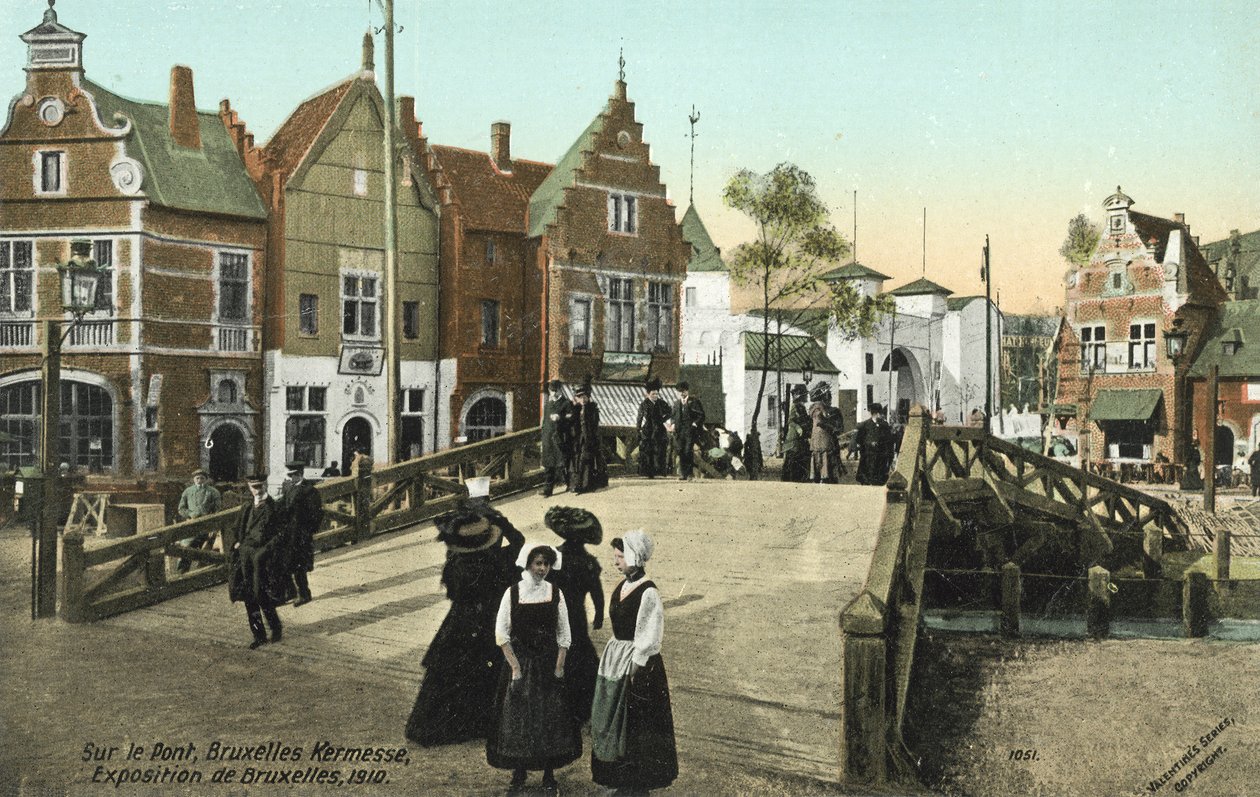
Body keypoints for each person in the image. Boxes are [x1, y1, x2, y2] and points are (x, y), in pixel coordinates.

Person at [405, 481, 525, 746]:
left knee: (452, 669)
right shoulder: (497, 562)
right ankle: (480, 721)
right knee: (486, 668)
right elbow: (519, 544)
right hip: (489, 619)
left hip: (460, 620)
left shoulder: (456, 564)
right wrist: (502, 523)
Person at [486, 543, 581, 794]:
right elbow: (501, 633)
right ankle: (519, 770)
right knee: (519, 720)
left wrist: (559, 666)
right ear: (528, 563)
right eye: (538, 563)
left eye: (547, 564)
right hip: (521, 664)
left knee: (550, 718)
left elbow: (564, 633)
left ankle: (549, 774)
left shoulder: (555, 593)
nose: (543, 569)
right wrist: (515, 668)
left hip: (548, 664)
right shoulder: (514, 592)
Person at [590, 531, 678, 794]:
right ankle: (620, 779)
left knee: (637, 723)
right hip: (618, 659)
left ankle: (638, 785)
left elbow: (650, 635)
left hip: (639, 666)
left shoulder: (648, 592)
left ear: (636, 558)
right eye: (615, 556)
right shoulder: (623, 585)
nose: (616, 562)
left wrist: (633, 669)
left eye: (621, 556)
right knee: (615, 719)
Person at [544, 505, 605, 733]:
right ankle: (583, 708)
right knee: (581, 656)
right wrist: (599, 614)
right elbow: (597, 593)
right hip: (577, 617)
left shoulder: (553, 557)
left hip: (554, 614)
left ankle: (555, 709)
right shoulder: (588, 563)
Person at [227, 473, 289, 649]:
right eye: (254, 487)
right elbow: (237, 528)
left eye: (260, 487)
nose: (257, 491)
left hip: (263, 559)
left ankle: (276, 628)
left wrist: (265, 550)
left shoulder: (274, 508)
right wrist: (237, 542)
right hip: (245, 557)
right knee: (249, 597)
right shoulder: (246, 507)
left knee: (262, 595)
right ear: (249, 488)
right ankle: (259, 635)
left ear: (265, 486)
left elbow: (281, 534)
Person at [279, 460, 323, 606]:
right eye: (290, 476)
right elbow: (283, 506)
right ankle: (289, 591)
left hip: (301, 535)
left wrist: (308, 531)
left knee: (299, 566)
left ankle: (304, 594)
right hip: (288, 534)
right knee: (283, 563)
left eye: (293, 476)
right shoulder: (289, 488)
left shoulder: (309, 490)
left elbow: (316, 514)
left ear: (299, 474)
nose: (291, 478)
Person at [176, 469, 222, 573]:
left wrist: (212, 523)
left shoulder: (213, 492)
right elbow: (181, 509)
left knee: (205, 548)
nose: (199, 480)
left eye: (202, 478)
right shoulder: (188, 492)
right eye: (197, 478)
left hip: (207, 525)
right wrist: (190, 514)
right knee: (186, 546)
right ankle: (182, 571)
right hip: (191, 524)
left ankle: (201, 571)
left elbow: (218, 510)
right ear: (193, 480)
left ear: (206, 479)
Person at [569, 379, 607, 494]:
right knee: (577, 461)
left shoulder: (592, 409)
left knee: (588, 461)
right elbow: (572, 424)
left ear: (588, 397)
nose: (583, 399)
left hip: (590, 438)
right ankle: (577, 484)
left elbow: (594, 425)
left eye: (585, 397)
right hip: (579, 439)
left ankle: (586, 485)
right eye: (580, 397)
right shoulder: (575, 409)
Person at [541, 380, 574, 497]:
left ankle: (570, 484)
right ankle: (547, 490)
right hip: (548, 438)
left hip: (561, 437)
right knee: (548, 464)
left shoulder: (566, 403)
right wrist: (543, 438)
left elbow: (571, 419)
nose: (553, 393)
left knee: (563, 462)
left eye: (555, 390)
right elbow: (544, 422)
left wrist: (560, 418)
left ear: (560, 390)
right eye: (551, 391)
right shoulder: (548, 404)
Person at [808, 383, 844, 484]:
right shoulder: (824, 409)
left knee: (819, 473)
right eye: (828, 395)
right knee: (828, 474)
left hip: (817, 444)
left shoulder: (814, 408)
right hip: (826, 444)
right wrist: (833, 428)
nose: (830, 397)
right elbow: (828, 423)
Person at [669, 381, 706, 481]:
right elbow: (672, 416)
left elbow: (701, 415)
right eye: (680, 391)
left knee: (687, 451)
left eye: (683, 391)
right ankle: (683, 474)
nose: (682, 393)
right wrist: (672, 424)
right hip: (679, 432)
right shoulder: (676, 404)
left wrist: (695, 423)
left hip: (690, 431)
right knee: (681, 451)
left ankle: (689, 474)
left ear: (687, 391)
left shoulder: (694, 402)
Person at [635, 378, 670, 478]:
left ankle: (660, 472)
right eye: (653, 394)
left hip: (659, 429)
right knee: (648, 451)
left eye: (656, 394)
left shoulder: (661, 403)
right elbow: (639, 418)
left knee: (660, 450)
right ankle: (648, 473)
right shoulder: (644, 404)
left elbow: (670, 412)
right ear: (648, 394)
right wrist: (638, 430)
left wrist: (663, 420)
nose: (655, 396)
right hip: (648, 429)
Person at [854, 403, 895, 486]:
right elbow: (859, 440)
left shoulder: (884, 425)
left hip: (881, 454)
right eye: (880, 413)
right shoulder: (865, 425)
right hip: (868, 454)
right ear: (876, 413)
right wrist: (869, 443)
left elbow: (889, 440)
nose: (882, 415)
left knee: (879, 477)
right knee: (867, 476)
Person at [781, 385, 811, 483]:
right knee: (794, 462)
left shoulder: (802, 407)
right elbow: (791, 420)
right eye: (805, 394)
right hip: (794, 439)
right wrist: (798, 428)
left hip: (800, 439)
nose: (807, 396)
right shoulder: (795, 406)